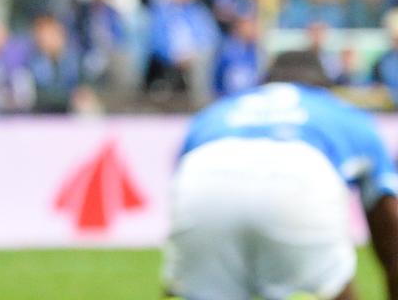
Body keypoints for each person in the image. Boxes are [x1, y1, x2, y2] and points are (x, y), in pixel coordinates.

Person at [164, 51, 398, 300]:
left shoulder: (217, 112)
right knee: (326, 288)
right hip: (300, 177)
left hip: (203, 177)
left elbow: (181, 180)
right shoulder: (341, 112)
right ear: (324, 85)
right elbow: (389, 225)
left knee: (192, 291)